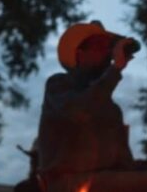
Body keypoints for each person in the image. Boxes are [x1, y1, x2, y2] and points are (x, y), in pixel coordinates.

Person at [38, 21, 136, 180]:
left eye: (108, 47)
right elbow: (81, 110)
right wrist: (115, 69)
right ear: (79, 54)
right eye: (99, 47)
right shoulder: (58, 85)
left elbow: (124, 162)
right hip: (64, 184)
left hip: (103, 188)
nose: (107, 53)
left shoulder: (111, 109)